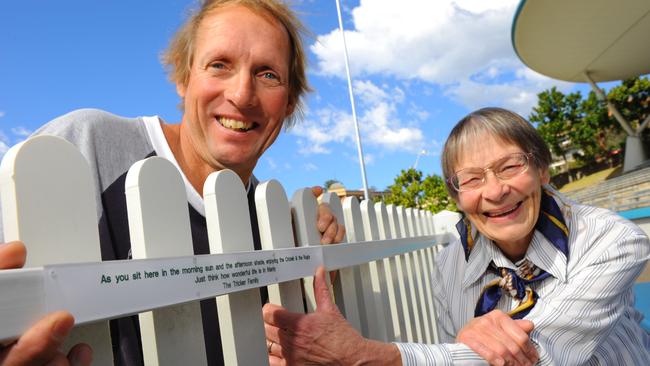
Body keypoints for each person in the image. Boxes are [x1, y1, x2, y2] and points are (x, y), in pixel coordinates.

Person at [0, 0, 345, 365]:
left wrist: (319, 257)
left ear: (288, 102)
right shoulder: (83, 146)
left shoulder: (275, 226)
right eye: (219, 65)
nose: (242, 94)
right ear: (183, 78)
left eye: (268, 74)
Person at [262, 107, 650, 365]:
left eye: (511, 166)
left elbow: (544, 355)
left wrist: (365, 355)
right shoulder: (451, 264)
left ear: (543, 170)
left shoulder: (611, 239)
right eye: (472, 179)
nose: (495, 191)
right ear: (458, 196)